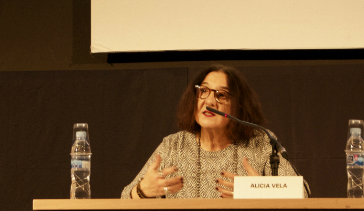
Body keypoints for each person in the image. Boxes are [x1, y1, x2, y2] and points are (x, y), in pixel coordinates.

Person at [122, 65, 308, 199]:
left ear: (238, 105)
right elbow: (125, 199)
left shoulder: (260, 143)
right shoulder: (174, 145)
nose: (209, 101)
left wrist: (258, 191)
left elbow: (302, 193)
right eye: (203, 91)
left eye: (221, 95)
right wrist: (142, 191)